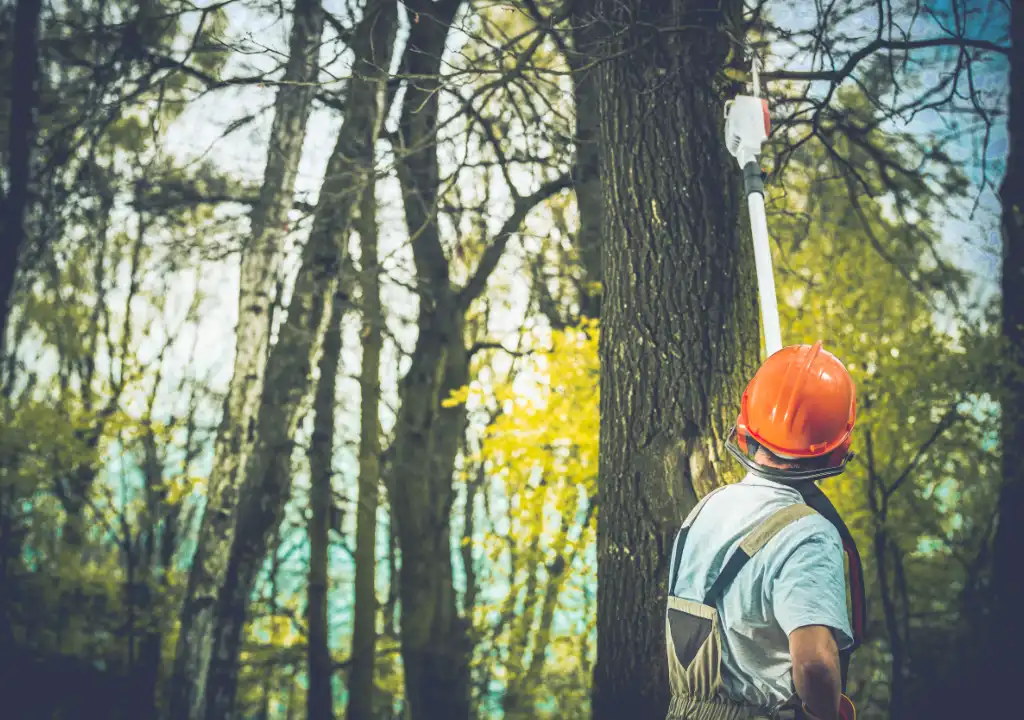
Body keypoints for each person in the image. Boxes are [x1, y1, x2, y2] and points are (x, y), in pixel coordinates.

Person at [664, 341, 865, 720]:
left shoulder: (705, 511)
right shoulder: (809, 534)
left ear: (748, 426)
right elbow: (815, 664)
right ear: (835, 447)